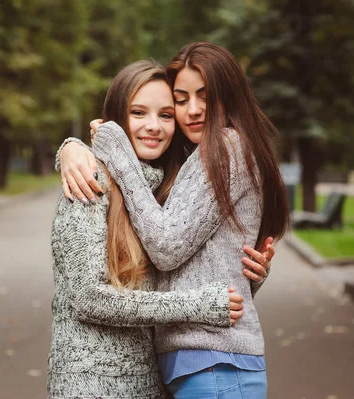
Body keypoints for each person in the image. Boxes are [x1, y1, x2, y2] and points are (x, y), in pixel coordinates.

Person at [57, 42, 290, 398]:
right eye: (180, 101)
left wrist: (113, 151)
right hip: (166, 372)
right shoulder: (126, 182)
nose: (192, 110)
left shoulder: (222, 149)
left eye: (204, 96)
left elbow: (169, 252)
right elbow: (183, 272)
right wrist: (72, 148)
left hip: (213, 364)